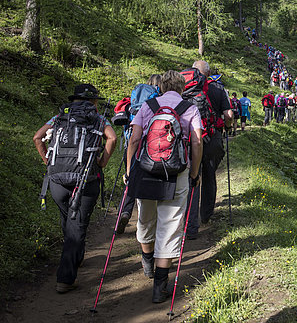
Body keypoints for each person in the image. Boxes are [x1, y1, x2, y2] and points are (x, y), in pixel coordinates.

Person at [126, 70, 203, 303]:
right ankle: (160, 287)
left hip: (146, 170)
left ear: (160, 86)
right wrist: (194, 173)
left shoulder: (148, 105)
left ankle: (147, 262)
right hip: (176, 172)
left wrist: (130, 171)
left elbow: (135, 139)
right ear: (182, 88)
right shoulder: (189, 108)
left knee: (146, 219)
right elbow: (197, 142)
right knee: (170, 226)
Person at [33, 84, 117, 294]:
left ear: (75, 100)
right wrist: (103, 162)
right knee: (77, 225)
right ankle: (65, 278)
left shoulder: (59, 117)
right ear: (94, 102)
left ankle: (76, 258)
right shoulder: (98, 118)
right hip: (86, 178)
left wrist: (48, 161)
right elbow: (112, 138)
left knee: (68, 220)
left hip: (57, 179)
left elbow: (37, 137)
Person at [187, 60, 233, 236]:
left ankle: (188, 218)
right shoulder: (217, 88)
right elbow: (228, 115)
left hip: (189, 138)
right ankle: (205, 215)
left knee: (191, 175)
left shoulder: (184, 88)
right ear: (208, 73)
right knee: (209, 174)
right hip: (211, 137)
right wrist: (227, 127)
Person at [117, 74, 162, 235]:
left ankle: (125, 212)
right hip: (150, 147)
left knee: (130, 179)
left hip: (131, 146)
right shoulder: (158, 101)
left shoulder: (135, 98)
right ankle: (148, 223)